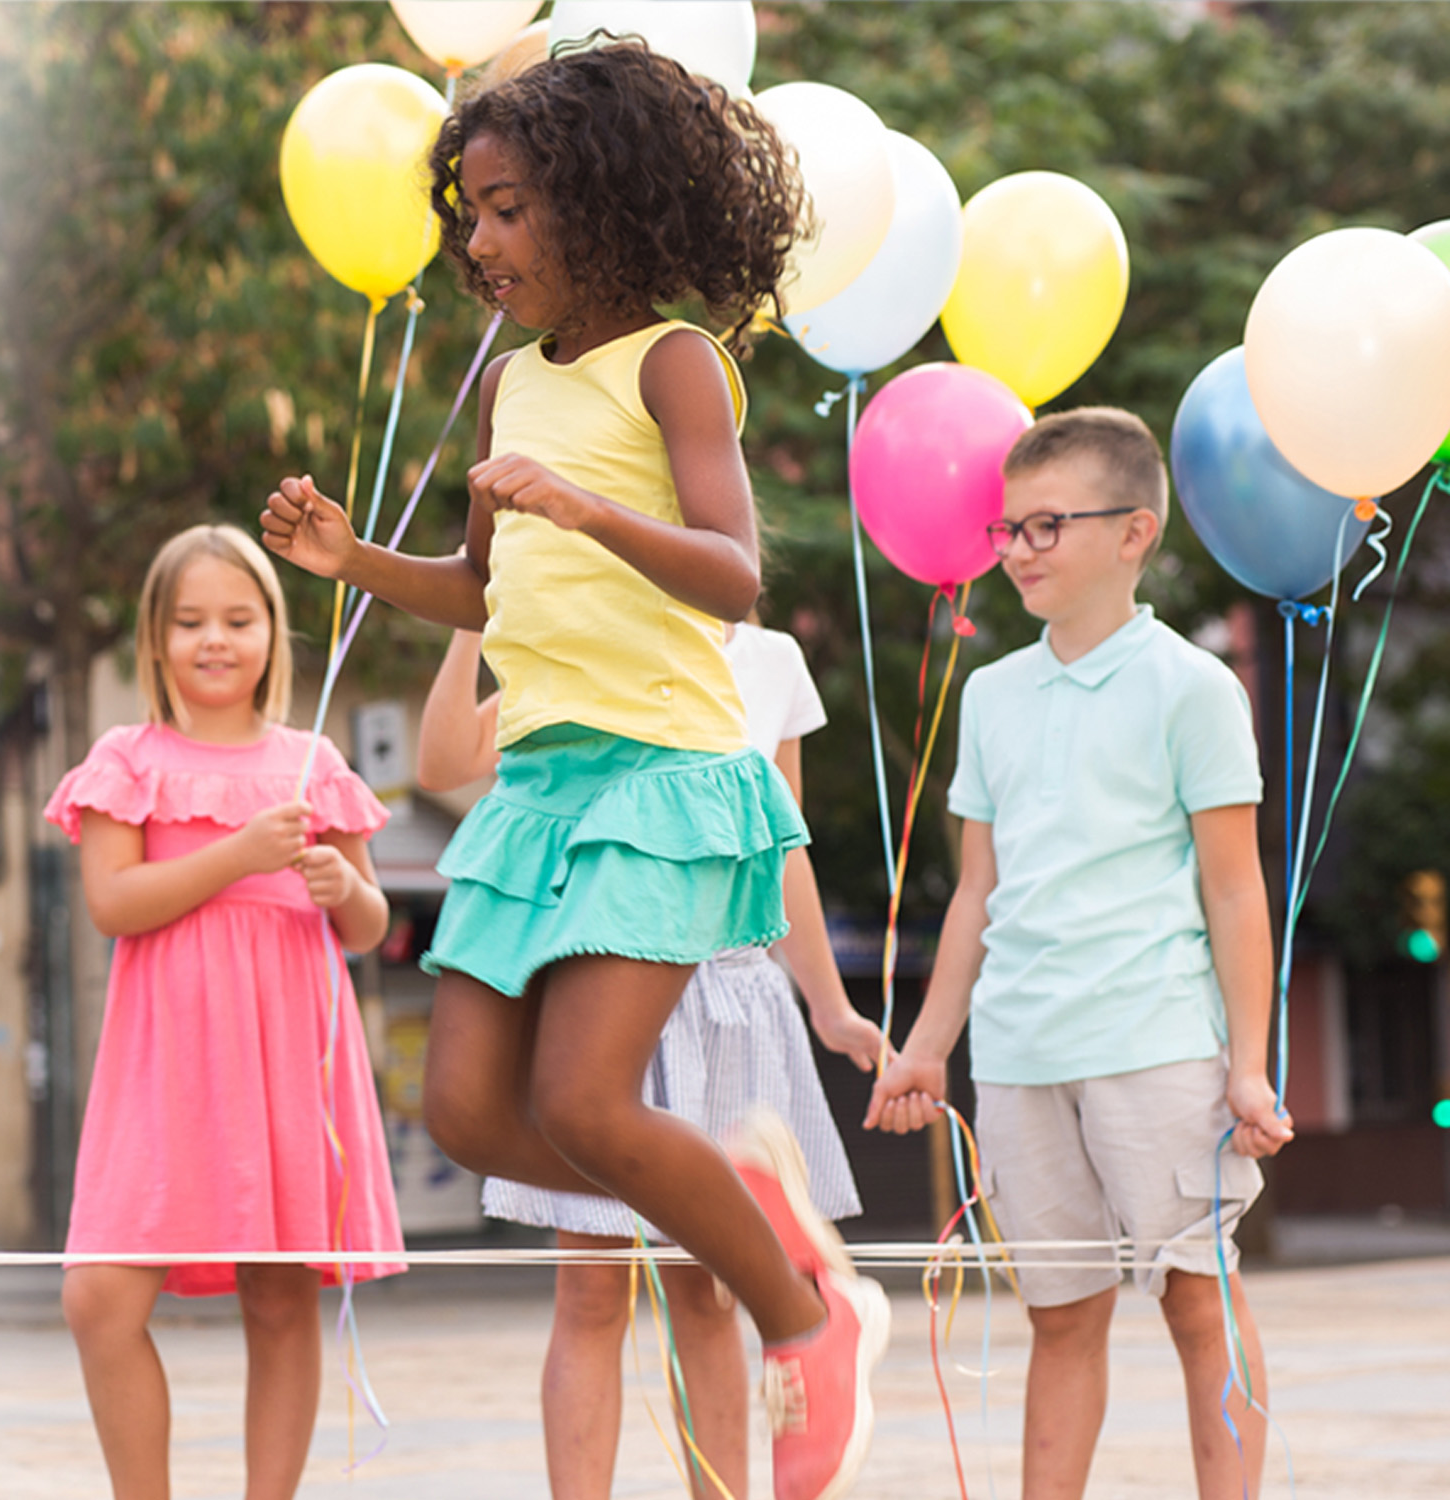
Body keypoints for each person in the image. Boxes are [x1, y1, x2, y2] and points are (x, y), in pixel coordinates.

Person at [253, 40, 888, 1500]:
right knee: (480, 1115)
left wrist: (594, 509)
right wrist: (354, 562)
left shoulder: (676, 365)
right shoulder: (512, 395)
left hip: (656, 777)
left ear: (607, 201)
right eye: (467, 212)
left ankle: (812, 1312)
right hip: (535, 790)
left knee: (592, 1106)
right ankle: (750, 1213)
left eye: (510, 208)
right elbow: (487, 592)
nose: (478, 242)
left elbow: (734, 577)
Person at [863, 408, 1292, 1500]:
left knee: (1199, 1301)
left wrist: (1248, 1065)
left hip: (1154, 1045)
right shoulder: (992, 693)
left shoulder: (1193, 686)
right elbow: (976, 895)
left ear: (1135, 532)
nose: (1017, 551)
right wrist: (925, 1050)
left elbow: (1235, 889)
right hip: (1017, 1054)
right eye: (1009, 530)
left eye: (1047, 526)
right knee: (1060, 1319)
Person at [421, 621, 888, 1500]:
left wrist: (829, 1004)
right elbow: (444, 760)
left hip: (726, 991)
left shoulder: (772, 661)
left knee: (708, 1293)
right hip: (604, 982)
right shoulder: (579, 630)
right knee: (591, 1290)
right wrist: (475, 608)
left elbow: (783, 847)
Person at [49, 524, 399, 1500]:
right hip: (167, 1058)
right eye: (190, 621)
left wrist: (341, 887)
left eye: (239, 619)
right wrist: (240, 854)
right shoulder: (129, 756)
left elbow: (369, 926)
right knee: (99, 1299)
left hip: (290, 1049)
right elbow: (114, 904)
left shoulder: (311, 760)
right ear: (155, 640)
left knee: (281, 1297)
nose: (215, 640)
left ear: (273, 636)